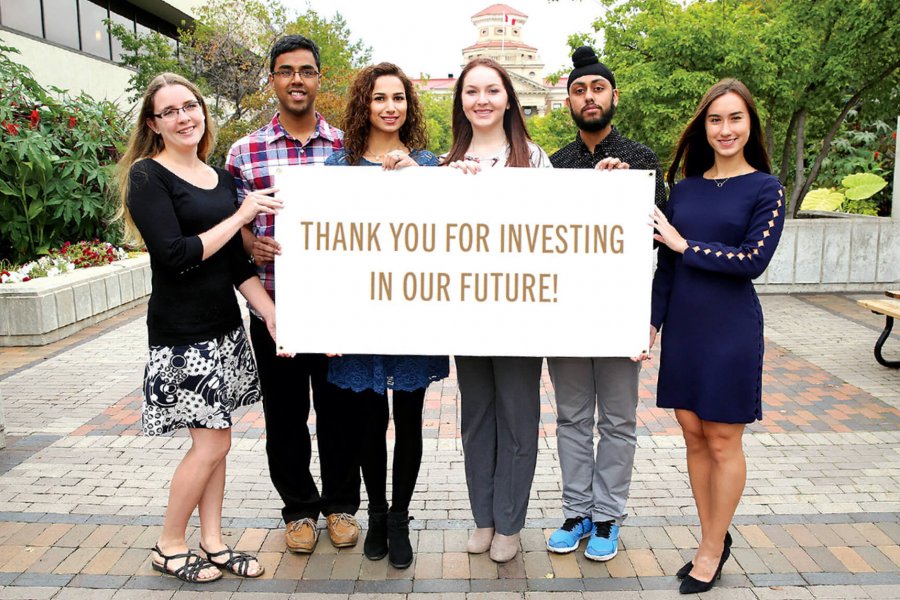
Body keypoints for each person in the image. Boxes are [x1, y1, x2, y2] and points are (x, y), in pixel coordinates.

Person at [118, 73, 282, 583]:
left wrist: (272, 314)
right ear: (154, 124)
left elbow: (236, 268)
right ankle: (170, 543)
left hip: (224, 330)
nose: (185, 117)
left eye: (190, 106)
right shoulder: (149, 176)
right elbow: (174, 256)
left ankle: (212, 541)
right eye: (170, 111)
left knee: (221, 440)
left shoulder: (220, 179)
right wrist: (241, 217)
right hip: (182, 334)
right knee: (210, 444)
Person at [647, 79, 785, 594]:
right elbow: (666, 267)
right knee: (693, 434)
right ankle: (715, 535)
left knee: (724, 438)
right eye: (715, 119)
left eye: (735, 119)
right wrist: (652, 323)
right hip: (684, 326)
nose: (725, 129)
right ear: (703, 127)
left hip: (730, 329)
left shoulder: (767, 189)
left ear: (750, 125)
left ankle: (710, 548)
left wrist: (687, 245)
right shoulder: (683, 189)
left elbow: (754, 260)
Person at [225, 34, 361, 554]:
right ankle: (299, 510)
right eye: (286, 71)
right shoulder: (245, 152)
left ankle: (340, 506)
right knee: (284, 415)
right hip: (274, 308)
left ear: (319, 78)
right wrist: (251, 243)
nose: (297, 80)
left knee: (339, 412)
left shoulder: (347, 148)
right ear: (274, 80)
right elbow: (236, 225)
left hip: (336, 309)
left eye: (306, 70)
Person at [324, 62, 450, 569]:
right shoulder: (338, 167)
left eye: (398, 98)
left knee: (411, 419)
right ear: (365, 105)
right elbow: (323, 248)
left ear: (409, 105)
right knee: (367, 424)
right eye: (379, 98)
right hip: (359, 316)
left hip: (411, 313)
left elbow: (448, 231)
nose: (390, 107)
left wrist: (421, 178)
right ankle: (375, 512)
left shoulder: (426, 163)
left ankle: (400, 516)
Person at [544, 46, 666, 562]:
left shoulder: (640, 160)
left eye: (596, 89)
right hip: (566, 315)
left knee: (617, 420)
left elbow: (660, 235)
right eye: (578, 90)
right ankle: (576, 512)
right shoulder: (554, 164)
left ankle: (609, 516)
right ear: (568, 101)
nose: (588, 98)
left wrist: (625, 194)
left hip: (618, 314)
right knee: (571, 418)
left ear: (613, 96)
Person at [443, 57, 552, 564]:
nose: (481, 100)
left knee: (518, 419)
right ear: (461, 101)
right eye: (472, 91)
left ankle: (510, 521)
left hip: (521, 316)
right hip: (466, 315)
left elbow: (558, 231)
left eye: (491, 90)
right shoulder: (447, 162)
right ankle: (482, 517)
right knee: (477, 420)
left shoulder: (533, 158)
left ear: (509, 97)